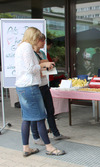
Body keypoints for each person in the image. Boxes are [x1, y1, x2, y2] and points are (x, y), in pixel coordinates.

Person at [15, 27, 65, 157]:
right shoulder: (26, 47)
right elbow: (31, 68)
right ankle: (49, 148)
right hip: (30, 86)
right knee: (40, 118)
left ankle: (26, 148)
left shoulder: (21, 46)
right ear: (32, 37)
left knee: (26, 119)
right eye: (38, 37)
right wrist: (44, 65)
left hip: (22, 86)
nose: (39, 40)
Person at [31, 34, 70, 146]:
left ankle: (56, 133)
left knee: (50, 110)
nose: (44, 43)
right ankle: (36, 136)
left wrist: (47, 66)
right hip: (35, 86)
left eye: (44, 40)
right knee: (37, 113)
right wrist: (43, 67)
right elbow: (33, 69)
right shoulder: (31, 54)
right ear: (36, 41)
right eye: (42, 40)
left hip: (45, 84)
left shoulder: (42, 53)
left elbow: (47, 67)